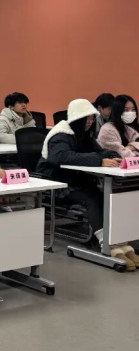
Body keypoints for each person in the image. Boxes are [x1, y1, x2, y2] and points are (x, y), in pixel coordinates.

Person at [36, 100, 133, 267]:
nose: (90, 122)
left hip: (76, 180)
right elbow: (62, 157)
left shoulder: (84, 134)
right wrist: (99, 160)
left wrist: (112, 155)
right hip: (57, 183)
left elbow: (99, 151)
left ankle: (118, 241)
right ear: (77, 118)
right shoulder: (60, 134)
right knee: (92, 199)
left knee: (107, 197)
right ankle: (107, 244)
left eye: (92, 118)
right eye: (86, 119)